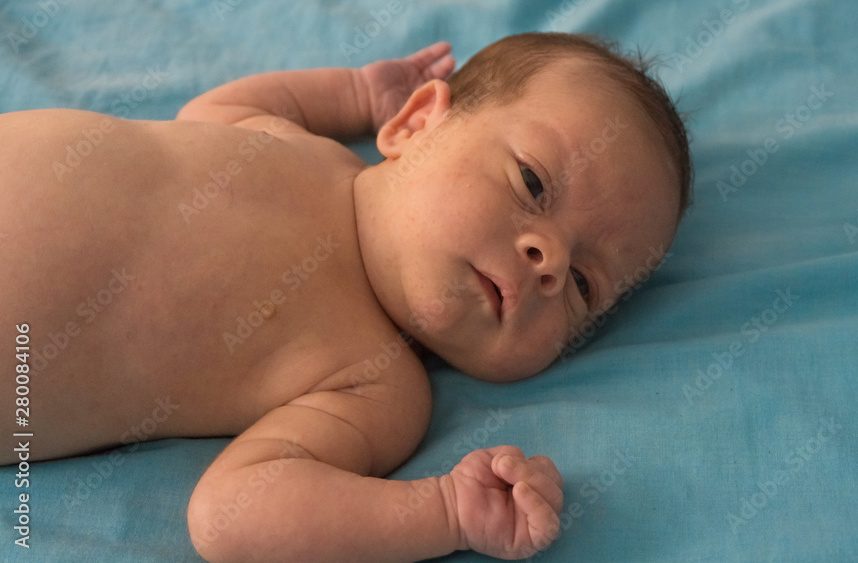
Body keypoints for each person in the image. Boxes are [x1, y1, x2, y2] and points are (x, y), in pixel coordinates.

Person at [0, 32, 691, 561]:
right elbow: (213, 111)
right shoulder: (293, 145)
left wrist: (447, 512)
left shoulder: (380, 387)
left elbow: (231, 515)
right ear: (415, 124)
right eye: (533, 183)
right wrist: (356, 94)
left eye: (583, 286)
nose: (550, 261)